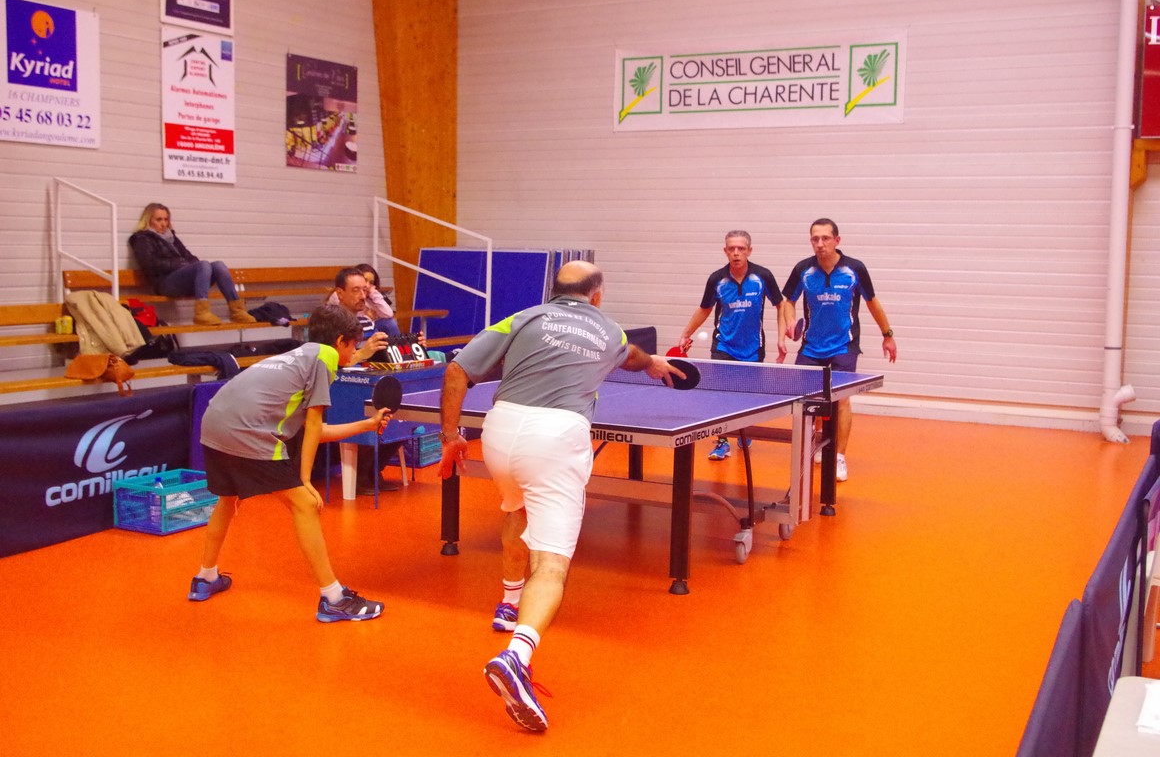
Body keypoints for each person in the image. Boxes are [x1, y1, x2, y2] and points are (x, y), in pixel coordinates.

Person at [439, 260, 679, 732]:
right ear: (597, 295)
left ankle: (509, 603)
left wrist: (450, 436)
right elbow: (631, 355)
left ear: (555, 292)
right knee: (551, 564)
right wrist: (653, 362)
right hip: (556, 438)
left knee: (516, 507)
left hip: (501, 433)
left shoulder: (522, 317)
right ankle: (517, 656)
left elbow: (456, 369)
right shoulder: (608, 330)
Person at [187, 304, 393, 622]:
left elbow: (315, 431)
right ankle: (334, 599)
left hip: (213, 424)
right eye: (353, 345)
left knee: (227, 498)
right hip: (247, 430)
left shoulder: (299, 357)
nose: (354, 352)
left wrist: (367, 424)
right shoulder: (325, 357)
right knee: (305, 505)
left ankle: (205, 577)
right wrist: (305, 481)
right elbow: (314, 423)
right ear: (340, 341)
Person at [781, 218, 898, 482]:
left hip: (844, 345)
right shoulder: (803, 270)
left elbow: (872, 302)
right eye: (815, 239)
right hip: (811, 347)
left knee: (841, 400)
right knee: (807, 401)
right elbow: (788, 301)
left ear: (837, 240)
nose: (820, 244)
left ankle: (839, 457)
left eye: (825, 238)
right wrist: (790, 321)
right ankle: (815, 444)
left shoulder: (854, 269)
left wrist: (887, 335)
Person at [676, 229, 786, 460]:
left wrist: (781, 338)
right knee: (721, 396)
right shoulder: (717, 279)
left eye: (741, 249)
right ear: (725, 251)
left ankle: (744, 432)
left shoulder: (763, 276)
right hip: (723, 346)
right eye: (732, 249)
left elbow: (780, 304)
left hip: (753, 347)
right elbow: (704, 309)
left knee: (747, 395)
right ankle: (723, 441)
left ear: (749, 251)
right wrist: (686, 334)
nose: (736, 253)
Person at [128, 203, 256, 325]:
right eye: (159, 219)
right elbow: (150, 264)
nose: (163, 224)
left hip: (181, 279)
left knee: (218, 265)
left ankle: (237, 311)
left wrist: (189, 265)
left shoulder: (171, 237)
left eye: (166, 219)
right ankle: (202, 313)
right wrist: (180, 264)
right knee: (203, 265)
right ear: (148, 220)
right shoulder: (142, 238)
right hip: (164, 283)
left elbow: (189, 257)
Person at [327, 263, 400, 336]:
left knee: (389, 323)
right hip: (347, 328)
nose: (368, 285)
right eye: (365, 280)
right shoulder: (338, 295)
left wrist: (374, 294)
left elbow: (388, 314)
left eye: (371, 282)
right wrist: (367, 318)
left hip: (368, 326)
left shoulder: (371, 295)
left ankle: (398, 343)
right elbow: (342, 316)